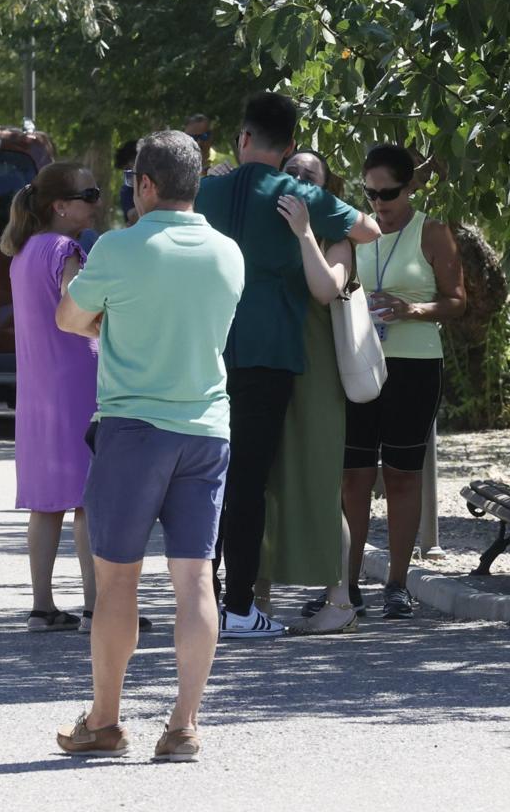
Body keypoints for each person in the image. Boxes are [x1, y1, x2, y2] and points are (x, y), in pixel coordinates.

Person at [55, 130, 244, 761]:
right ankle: (184, 724)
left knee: (117, 584)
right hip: (207, 430)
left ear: (145, 185)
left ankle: (104, 722)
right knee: (195, 582)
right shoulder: (228, 253)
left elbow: (69, 317)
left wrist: (113, 318)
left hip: (134, 430)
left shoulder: (118, 247)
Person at [194, 91, 379, 639]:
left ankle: (199, 598)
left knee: (208, 478)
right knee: (251, 480)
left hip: (207, 350)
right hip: (271, 355)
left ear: (243, 137)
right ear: (291, 145)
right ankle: (239, 606)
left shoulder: (208, 190)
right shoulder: (296, 194)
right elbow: (368, 229)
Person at [341, 144, 464, 619]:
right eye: (369, 192)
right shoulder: (356, 231)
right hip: (358, 363)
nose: (378, 203)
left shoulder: (431, 231)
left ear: (410, 185)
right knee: (353, 475)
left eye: (387, 192)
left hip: (413, 364)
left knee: (402, 474)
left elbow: (458, 301)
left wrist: (415, 309)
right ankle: (346, 584)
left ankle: (396, 583)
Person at [254, 149, 358, 635]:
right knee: (262, 481)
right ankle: (255, 598)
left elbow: (324, 289)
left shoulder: (336, 238)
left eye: (308, 176)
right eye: (289, 173)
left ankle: (340, 601)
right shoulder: (259, 231)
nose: (297, 181)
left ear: (324, 188)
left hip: (315, 374)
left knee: (319, 484)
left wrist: (304, 234)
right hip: (266, 366)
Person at [0, 162, 101, 632]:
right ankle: (96, 607)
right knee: (87, 497)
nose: (95, 202)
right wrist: (108, 324)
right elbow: (73, 305)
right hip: (76, 379)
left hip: (37, 384)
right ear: (60, 206)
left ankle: (42, 606)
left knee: (46, 503)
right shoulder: (66, 249)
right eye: (88, 194)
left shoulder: (23, 250)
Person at [114, 139, 139, 226]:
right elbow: (132, 217)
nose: (128, 173)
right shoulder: (127, 189)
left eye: (129, 168)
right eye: (125, 170)